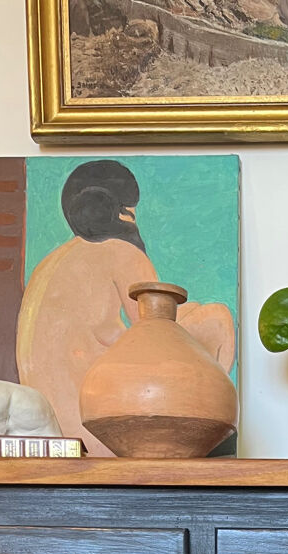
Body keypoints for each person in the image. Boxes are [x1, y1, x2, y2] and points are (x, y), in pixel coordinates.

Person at [17, 161, 235, 456]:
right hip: (99, 426)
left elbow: (103, 331)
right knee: (216, 318)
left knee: (194, 314)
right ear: (124, 210)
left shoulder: (52, 260)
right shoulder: (122, 250)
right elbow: (155, 328)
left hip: (54, 428)